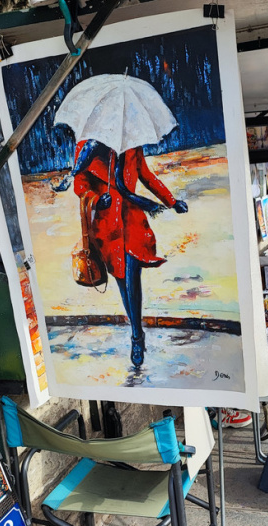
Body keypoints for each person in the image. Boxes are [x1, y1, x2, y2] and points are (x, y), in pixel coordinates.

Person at [56, 139, 188, 367]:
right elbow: (80, 187)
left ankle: (137, 336)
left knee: (132, 276)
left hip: (133, 221)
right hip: (108, 228)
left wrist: (172, 201)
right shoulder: (85, 149)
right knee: (122, 281)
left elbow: (146, 176)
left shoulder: (132, 146)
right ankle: (137, 330)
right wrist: (97, 200)